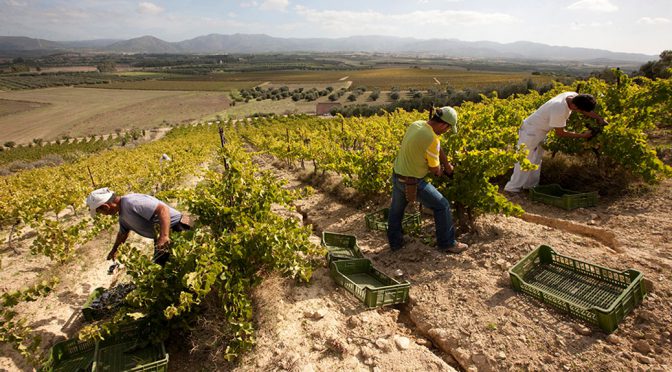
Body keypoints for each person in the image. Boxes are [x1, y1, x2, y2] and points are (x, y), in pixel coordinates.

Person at [387, 106, 468, 254]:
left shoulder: (416, 125)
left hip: (398, 175)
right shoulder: (432, 139)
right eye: (448, 129)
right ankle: (447, 243)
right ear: (443, 125)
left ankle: (395, 244)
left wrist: (446, 162)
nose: (446, 132)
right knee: (442, 205)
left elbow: (437, 146)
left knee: (396, 211)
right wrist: (445, 170)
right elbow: (434, 170)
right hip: (413, 182)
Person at [504, 92, 608, 193]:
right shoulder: (559, 110)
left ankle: (530, 187)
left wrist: (599, 118)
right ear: (575, 106)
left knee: (536, 160)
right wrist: (582, 135)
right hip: (531, 131)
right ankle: (512, 188)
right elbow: (560, 133)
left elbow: (584, 110)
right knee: (524, 159)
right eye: (579, 110)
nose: (580, 112)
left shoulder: (573, 96)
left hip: (540, 130)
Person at [86, 187, 191, 266]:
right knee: (161, 268)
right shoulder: (122, 215)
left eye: (100, 212)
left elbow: (162, 209)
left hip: (177, 228)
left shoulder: (132, 202)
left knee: (187, 261)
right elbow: (122, 234)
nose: (103, 215)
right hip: (162, 235)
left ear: (105, 207)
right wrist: (114, 250)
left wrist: (164, 236)